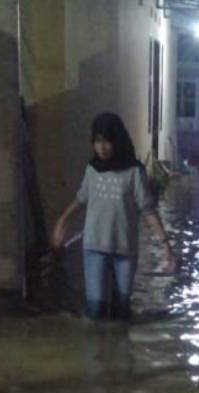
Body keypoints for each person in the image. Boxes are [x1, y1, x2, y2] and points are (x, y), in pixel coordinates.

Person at [52, 112, 175, 321]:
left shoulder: (135, 172)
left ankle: (119, 351)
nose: (102, 147)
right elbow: (82, 199)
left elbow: (148, 210)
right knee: (95, 309)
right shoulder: (92, 169)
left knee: (121, 310)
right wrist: (62, 221)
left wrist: (166, 248)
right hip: (94, 247)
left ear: (117, 140)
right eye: (97, 141)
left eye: (107, 140)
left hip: (124, 249)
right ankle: (95, 352)